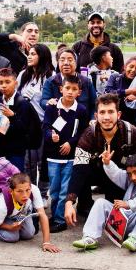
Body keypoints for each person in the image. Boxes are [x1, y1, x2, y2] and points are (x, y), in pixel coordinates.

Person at [64, 94, 136, 224]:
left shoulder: (132, 133)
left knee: (114, 211)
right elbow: (78, 169)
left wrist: (135, 202)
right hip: (96, 172)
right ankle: (85, 207)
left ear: (119, 114)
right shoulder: (88, 135)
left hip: (119, 175)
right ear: (96, 116)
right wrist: (69, 202)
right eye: (102, 112)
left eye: (111, 112)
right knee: (81, 174)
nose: (106, 117)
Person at [72, 153, 136, 252]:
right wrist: (107, 163)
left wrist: (129, 204)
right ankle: (90, 238)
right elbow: (117, 173)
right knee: (100, 202)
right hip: (124, 222)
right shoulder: (131, 179)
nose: (133, 177)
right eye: (129, 174)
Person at [42, 75, 89, 232]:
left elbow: (84, 132)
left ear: (79, 92)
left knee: (64, 189)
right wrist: (51, 135)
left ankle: (60, 220)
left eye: (74, 89)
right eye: (67, 88)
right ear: (61, 89)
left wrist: (71, 143)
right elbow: (46, 127)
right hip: (53, 157)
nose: (70, 92)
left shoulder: (81, 110)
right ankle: (56, 215)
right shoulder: (52, 108)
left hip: (70, 158)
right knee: (54, 189)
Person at [18, 43, 55, 196]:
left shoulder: (51, 76)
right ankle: (31, 191)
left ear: (43, 56)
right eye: (29, 53)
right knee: (28, 162)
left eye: (33, 54)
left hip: (43, 124)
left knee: (43, 162)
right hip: (26, 126)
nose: (29, 56)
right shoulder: (23, 75)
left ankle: (43, 192)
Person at [0, 173, 60, 253]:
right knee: (12, 237)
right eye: (19, 191)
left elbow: (42, 214)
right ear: (11, 191)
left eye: (27, 190)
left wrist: (46, 242)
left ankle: (15, 228)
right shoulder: (2, 204)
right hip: (4, 217)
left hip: (21, 213)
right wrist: (10, 227)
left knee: (29, 234)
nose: (25, 195)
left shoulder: (34, 190)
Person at [0, 68, 42, 172]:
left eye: (8, 82)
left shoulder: (23, 104)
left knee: (16, 179)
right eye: (0, 82)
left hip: (17, 152)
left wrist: (12, 116)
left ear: (16, 83)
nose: (4, 85)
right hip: (1, 150)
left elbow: (23, 130)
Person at [41, 48, 97, 119]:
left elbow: (94, 104)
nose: (66, 63)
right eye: (62, 60)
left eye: (70, 60)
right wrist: (48, 102)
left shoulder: (86, 82)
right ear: (58, 63)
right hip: (58, 122)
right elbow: (43, 100)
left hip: (82, 123)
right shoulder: (51, 81)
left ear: (76, 63)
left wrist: (92, 120)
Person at [105, 56, 136, 126]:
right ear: (125, 67)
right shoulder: (115, 77)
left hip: (134, 120)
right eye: (131, 66)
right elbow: (108, 92)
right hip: (115, 118)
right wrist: (128, 91)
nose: (133, 70)